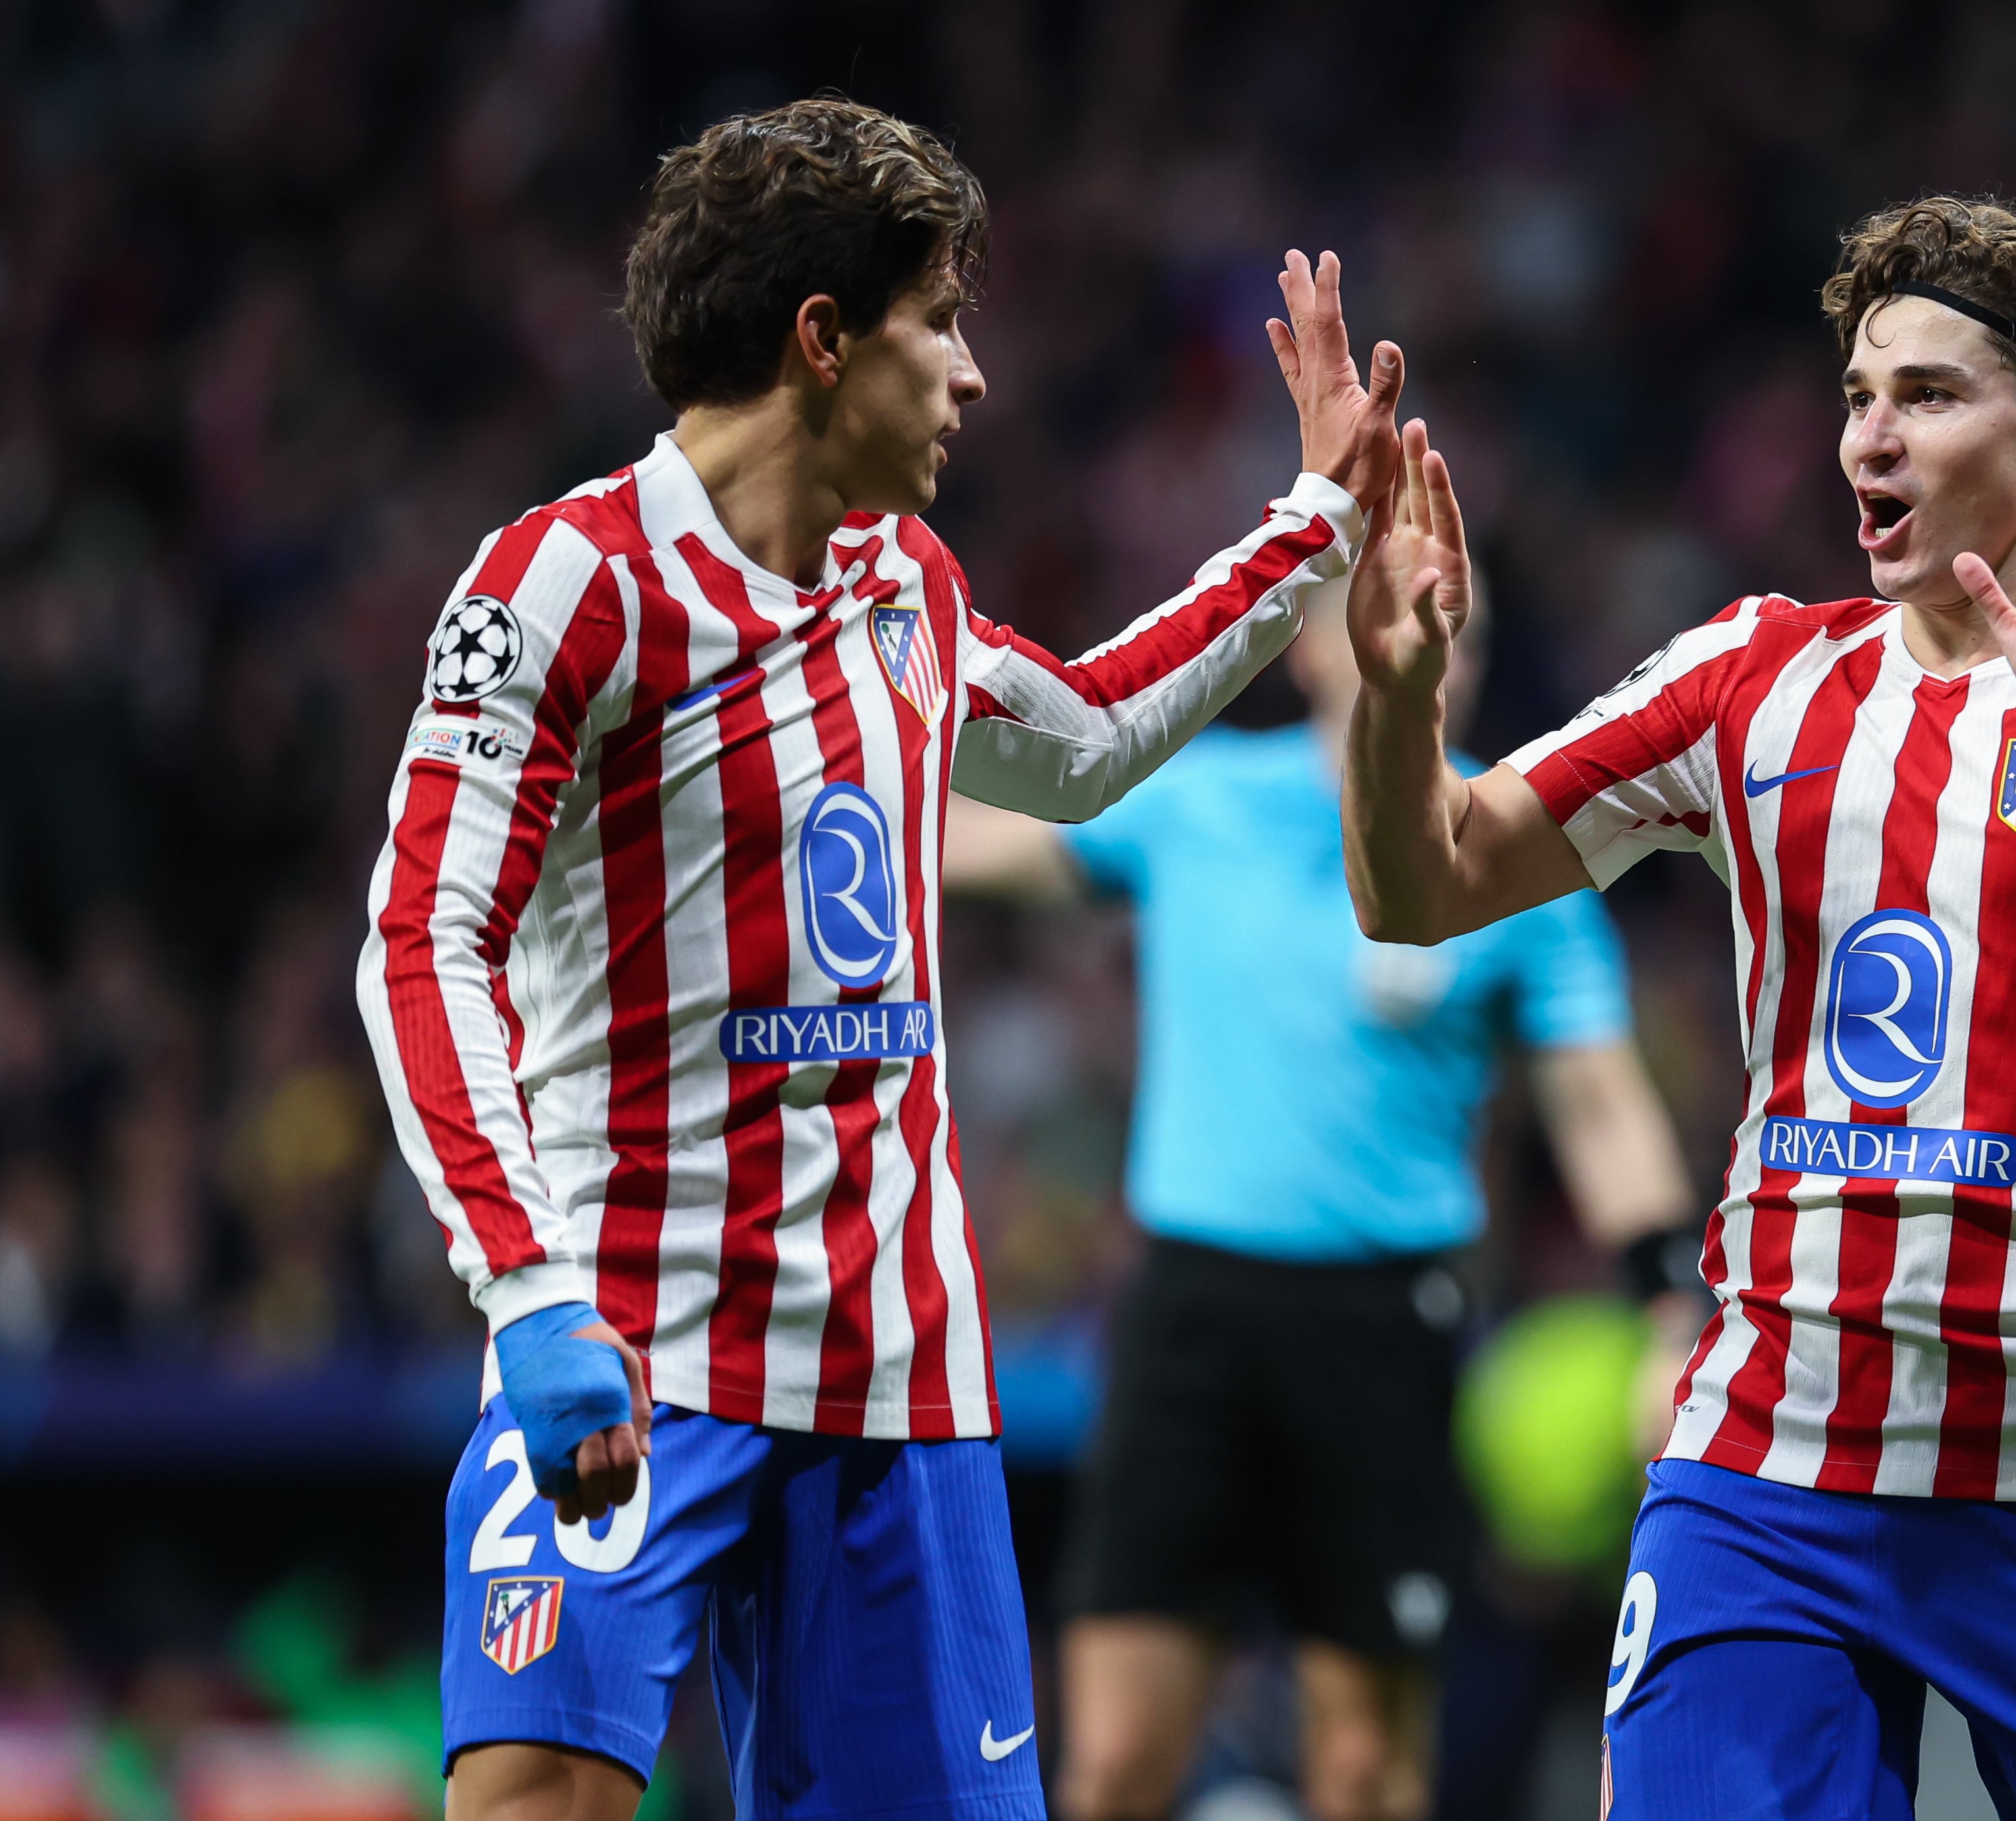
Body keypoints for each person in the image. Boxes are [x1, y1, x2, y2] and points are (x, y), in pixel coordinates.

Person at [355, 98, 1407, 1821]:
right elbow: (420, 936)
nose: (973, 375)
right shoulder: (566, 585)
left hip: (895, 1379)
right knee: (533, 1788)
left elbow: (1072, 739)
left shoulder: (898, 583)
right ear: (823, 341)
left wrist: (1311, 521)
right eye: (939, 321)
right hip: (631, 1329)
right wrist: (527, 1282)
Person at [1337, 195, 2016, 1819]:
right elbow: (1420, 885)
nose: (1866, 437)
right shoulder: (1752, 673)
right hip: (1772, 1466)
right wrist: (1397, 704)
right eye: (1858, 397)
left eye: (1927, 396)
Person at [941, 575, 1696, 1821]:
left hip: (1382, 1328)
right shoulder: (1193, 803)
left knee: (1364, 1771)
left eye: (1462, 633)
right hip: (1189, 1316)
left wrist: (1667, 1299)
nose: (1427, 652)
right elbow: (961, 844)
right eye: (1395, 623)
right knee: (1114, 1761)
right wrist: (780, 772)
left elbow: (1601, 1104)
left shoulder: (1512, 854)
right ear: (1306, 657)